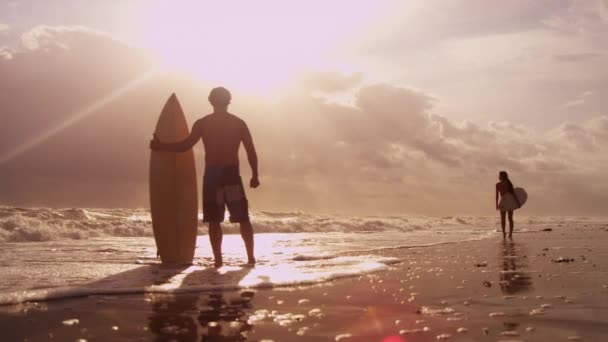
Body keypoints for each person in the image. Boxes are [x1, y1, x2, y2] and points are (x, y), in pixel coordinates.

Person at [150, 87, 259, 267]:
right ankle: (251, 259)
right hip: (231, 174)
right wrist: (255, 174)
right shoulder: (238, 123)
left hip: (212, 176)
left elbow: (185, 145)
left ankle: (218, 261)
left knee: (215, 220)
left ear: (211, 101)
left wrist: (162, 146)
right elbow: (251, 151)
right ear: (229, 101)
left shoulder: (203, 123)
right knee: (242, 218)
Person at [495, 171, 521, 239]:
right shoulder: (498, 184)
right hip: (505, 202)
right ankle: (505, 233)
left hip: (507, 202)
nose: (499, 177)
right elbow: (497, 195)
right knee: (506, 219)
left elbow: (513, 193)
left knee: (508, 218)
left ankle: (509, 233)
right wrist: (496, 204)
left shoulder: (508, 184)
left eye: (499, 175)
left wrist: (518, 202)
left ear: (502, 176)